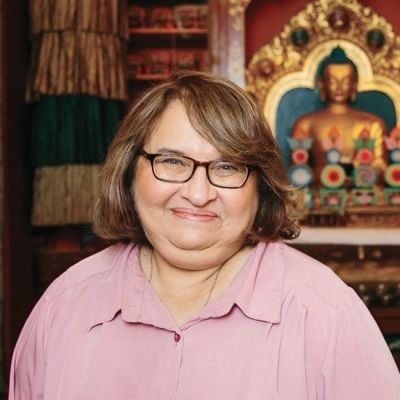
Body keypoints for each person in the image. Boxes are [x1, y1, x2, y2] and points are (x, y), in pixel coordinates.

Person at [9, 71, 400, 399]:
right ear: (130, 172)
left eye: (227, 167)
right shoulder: (64, 307)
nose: (198, 193)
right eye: (172, 161)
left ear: (259, 184)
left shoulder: (324, 313)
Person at [291, 47, 386, 179]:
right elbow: (297, 174)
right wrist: (325, 175)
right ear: (321, 84)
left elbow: (381, 167)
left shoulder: (372, 123)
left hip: (362, 193)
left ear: (354, 85)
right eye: (333, 81)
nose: (339, 86)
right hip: (319, 193)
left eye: (346, 81)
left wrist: (356, 170)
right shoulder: (305, 124)